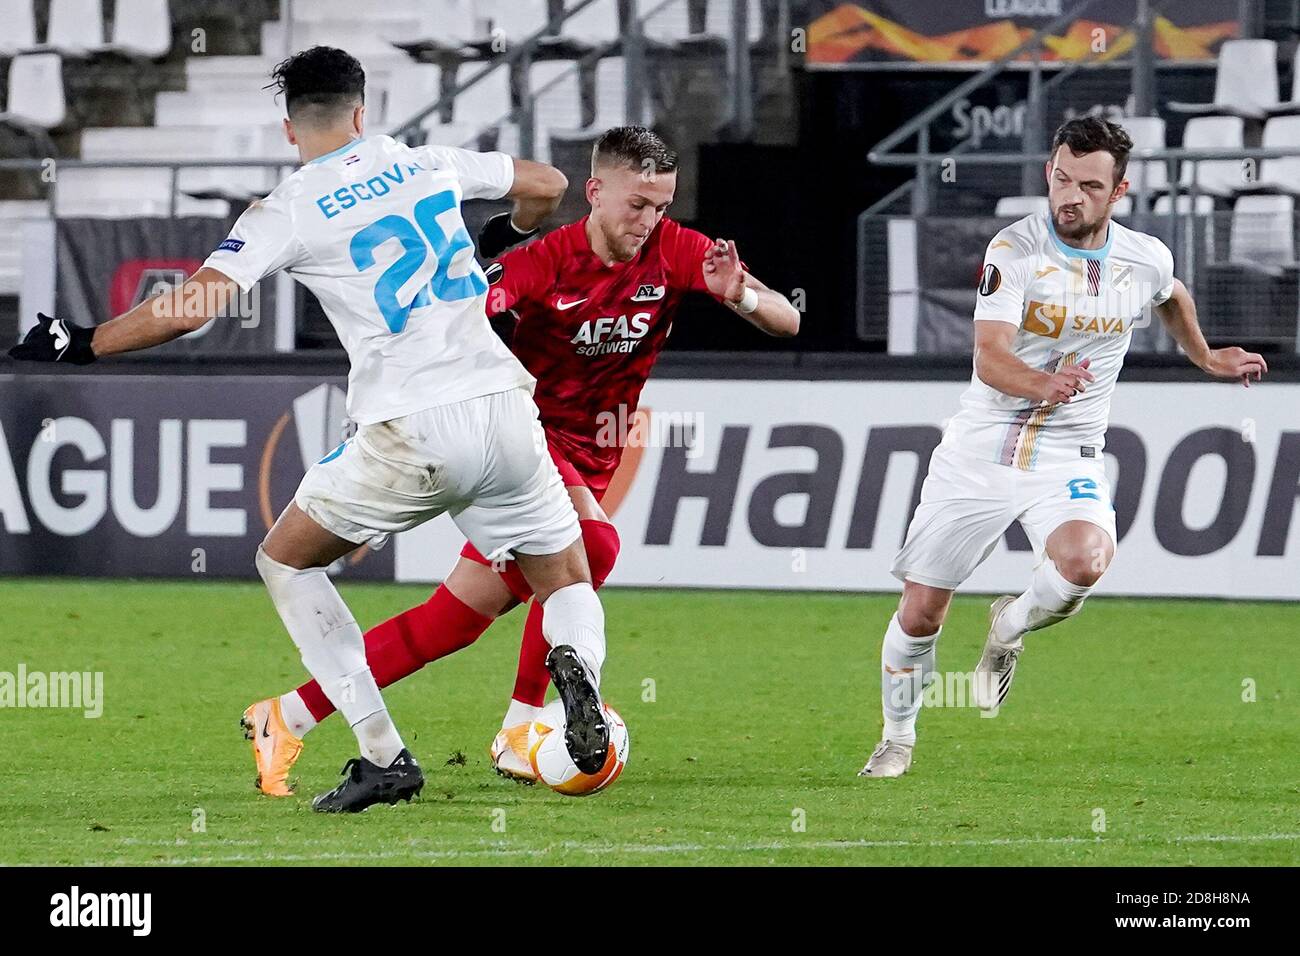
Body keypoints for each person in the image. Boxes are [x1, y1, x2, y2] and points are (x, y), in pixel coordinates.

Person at [9, 46, 614, 811]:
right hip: (505, 405)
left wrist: (84, 341)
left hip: (413, 424)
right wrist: (501, 236)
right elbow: (550, 184)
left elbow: (194, 306)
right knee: (563, 578)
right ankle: (578, 675)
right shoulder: (429, 163)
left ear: (290, 127)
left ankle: (384, 753)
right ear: (364, 112)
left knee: (287, 562)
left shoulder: (289, 207)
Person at [246, 125, 801, 793]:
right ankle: (520, 729)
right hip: (519, 445)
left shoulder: (676, 250)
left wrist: (740, 293)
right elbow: (460, 317)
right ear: (595, 193)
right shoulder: (543, 262)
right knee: (593, 546)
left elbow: (787, 321)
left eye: (662, 206)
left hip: (592, 457)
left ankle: (288, 715)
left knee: (452, 621)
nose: (649, 221)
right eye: (636, 205)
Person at [860, 116, 1268, 779]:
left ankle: (1009, 628)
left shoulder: (1144, 257)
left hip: (1066, 455)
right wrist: (1044, 383)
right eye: (1059, 178)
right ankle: (898, 737)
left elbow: (1171, 295)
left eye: (1087, 184)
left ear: (1120, 191)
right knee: (923, 607)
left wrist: (1206, 356)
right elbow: (990, 358)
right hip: (980, 450)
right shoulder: (1013, 251)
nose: (1068, 195)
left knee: (1084, 563)